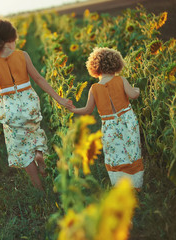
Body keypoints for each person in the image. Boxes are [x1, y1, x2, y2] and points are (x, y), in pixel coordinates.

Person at [0, 19, 74, 191]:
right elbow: (39, 79)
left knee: (21, 147)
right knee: (35, 131)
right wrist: (59, 99)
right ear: (9, 39)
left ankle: (39, 188)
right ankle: (39, 153)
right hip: (28, 101)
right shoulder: (22, 55)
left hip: (10, 107)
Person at [69, 47, 144, 190]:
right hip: (127, 120)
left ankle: (119, 184)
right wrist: (137, 90)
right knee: (131, 149)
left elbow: (87, 110)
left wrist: (73, 110)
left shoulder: (95, 88)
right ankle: (136, 184)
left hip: (109, 125)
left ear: (94, 68)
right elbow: (133, 95)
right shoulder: (121, 80)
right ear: (116, 64)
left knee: (114, 152)